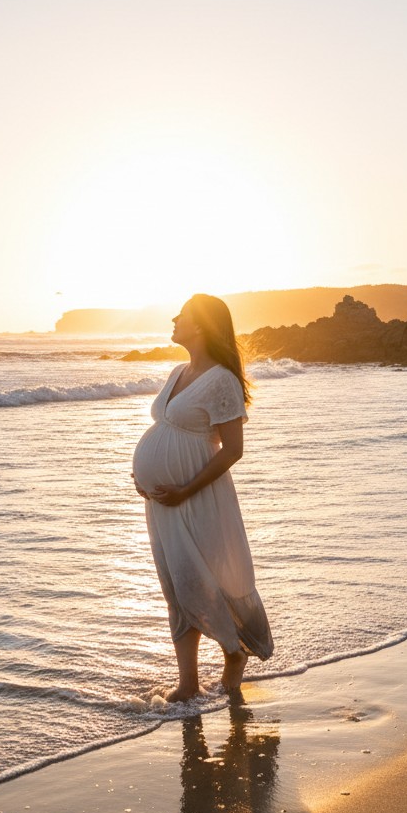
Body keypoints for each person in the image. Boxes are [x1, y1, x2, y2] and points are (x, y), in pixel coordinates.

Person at [132, 294, 273, 701]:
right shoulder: (178, 371)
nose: (174, 319)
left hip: (196, 498)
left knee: (201, 580)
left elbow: (233, 449)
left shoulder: (222, 380)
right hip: (162, 502)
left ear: (201, 326)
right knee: (175, 585)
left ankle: (234, 651)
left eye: (183, 315)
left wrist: (184, 489)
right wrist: (144, 473)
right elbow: (166, 433)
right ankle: (189, 684)